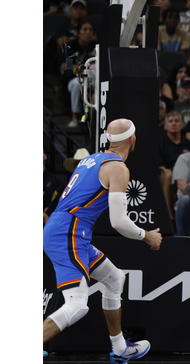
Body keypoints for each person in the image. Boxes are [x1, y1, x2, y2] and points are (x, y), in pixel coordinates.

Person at [43, 119, 162, 360]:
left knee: (115, 278)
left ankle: (119, 348)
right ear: (132, 139)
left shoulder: (91, 159)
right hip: (69, 231)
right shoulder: (118, 168)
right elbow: (119, 221)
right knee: (77, 305)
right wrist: (147, 236)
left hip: (70, 230)